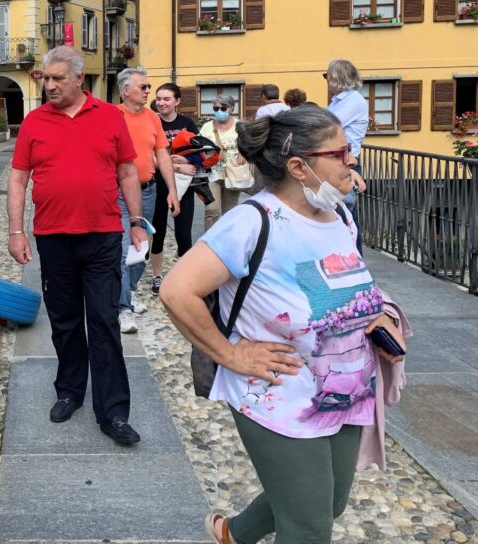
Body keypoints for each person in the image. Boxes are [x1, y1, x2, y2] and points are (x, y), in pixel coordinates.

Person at [160, 106, 407, 544]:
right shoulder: (250, 222)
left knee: (328, 502)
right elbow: (177, 291)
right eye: (342, 152)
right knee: (309, 525)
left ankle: (232, 533)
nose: (353, 160)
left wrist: (377, 313)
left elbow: (343, 281)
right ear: (299, 166)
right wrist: (230, 353)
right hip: (278, 392)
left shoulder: (341, 216)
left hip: (344, 386)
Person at [7, 46, 148, 446]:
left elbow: (126, 172)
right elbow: (18, 179)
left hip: (103, 235)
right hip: (53, 237)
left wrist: (136, 223)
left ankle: (114, 412)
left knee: (104, 322)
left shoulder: (109, 117)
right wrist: (16, 231)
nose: (48, 85)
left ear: (78, 79)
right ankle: (69, 391)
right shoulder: (34, 122)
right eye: (45, 79)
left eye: (56, 79)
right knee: (65, 321)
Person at [116, 68, 179, 331]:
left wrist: (172, 190)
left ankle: (128, 293)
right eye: (143, 86)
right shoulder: (111, 116)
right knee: (120, 250)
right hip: (118, 193)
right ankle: (122, 308)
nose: (148, 91)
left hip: (149, 190)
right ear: (125, 90)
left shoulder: (153, 118)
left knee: (141, 250)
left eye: (148, 86)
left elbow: (162, 155)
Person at [149, 83, 199, 297]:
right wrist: (176, 164)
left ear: (177, 101)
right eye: (158, 99)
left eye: (166, 99)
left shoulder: (187, 123)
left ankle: (185, 277)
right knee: (158, 232)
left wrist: (189, 161)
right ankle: (157, 276)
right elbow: (149, 154)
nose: (161, 103)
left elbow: (200, 152)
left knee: (183, 233)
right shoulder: (151, 121)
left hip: (183, 185)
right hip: (157, 184)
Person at [326, 59, 369, 255]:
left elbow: (327, 126)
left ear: (337, 79)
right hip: (337, 161)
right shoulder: (339, 101)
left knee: (346, 218)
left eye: (328, 77)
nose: (327, 81)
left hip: (346, 163)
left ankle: (354, 261)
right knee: (345, 217)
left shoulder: (353, 101)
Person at [200, 94, 246, 231]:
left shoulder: (240, 126)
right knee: (211, 210)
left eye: (223, 108)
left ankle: (228, 241)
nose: (219, 111)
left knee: (230, 211)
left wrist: (243, 153)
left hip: (232, 173)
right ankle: (209, 242)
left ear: (231, 109)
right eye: (216, 108)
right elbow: (199, 146)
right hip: (211, 174)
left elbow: (249, 144)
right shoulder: (207, 127)